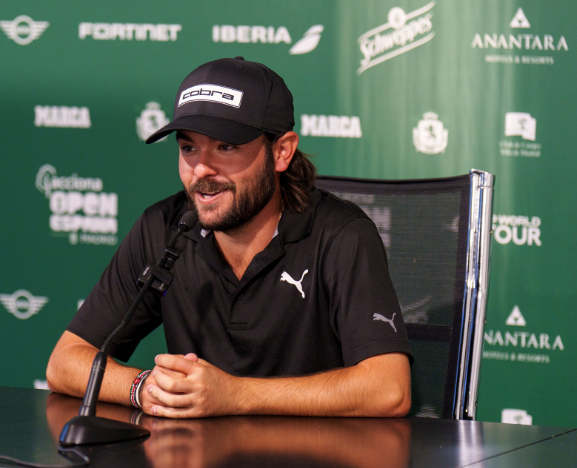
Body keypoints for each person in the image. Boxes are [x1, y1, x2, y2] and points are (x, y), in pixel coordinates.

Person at [46, 57, 412, 418]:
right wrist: (144, 388)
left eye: (226, 147)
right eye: (188, 147)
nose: (201, 169)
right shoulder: (165, 227)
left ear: (281, 151)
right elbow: (65, 360)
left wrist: (234, 394)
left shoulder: (342, 235)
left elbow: (388, 389)